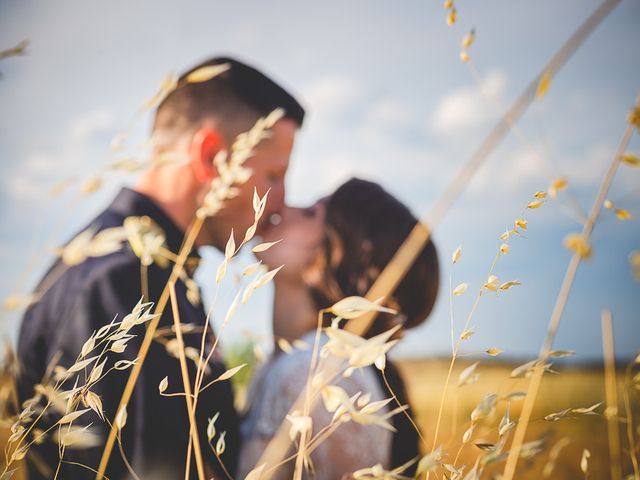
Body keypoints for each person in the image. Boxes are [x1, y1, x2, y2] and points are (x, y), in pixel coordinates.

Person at [16, 56, 305, 479]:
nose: (280, 201)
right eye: (274, 175)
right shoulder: (121, 282)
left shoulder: (153, 272)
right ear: (210, 157)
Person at [238, 178, 440, 479]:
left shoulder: (317, 374)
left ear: (331, 259)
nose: (284, 208)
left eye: (309, 213)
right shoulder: (283, 362)